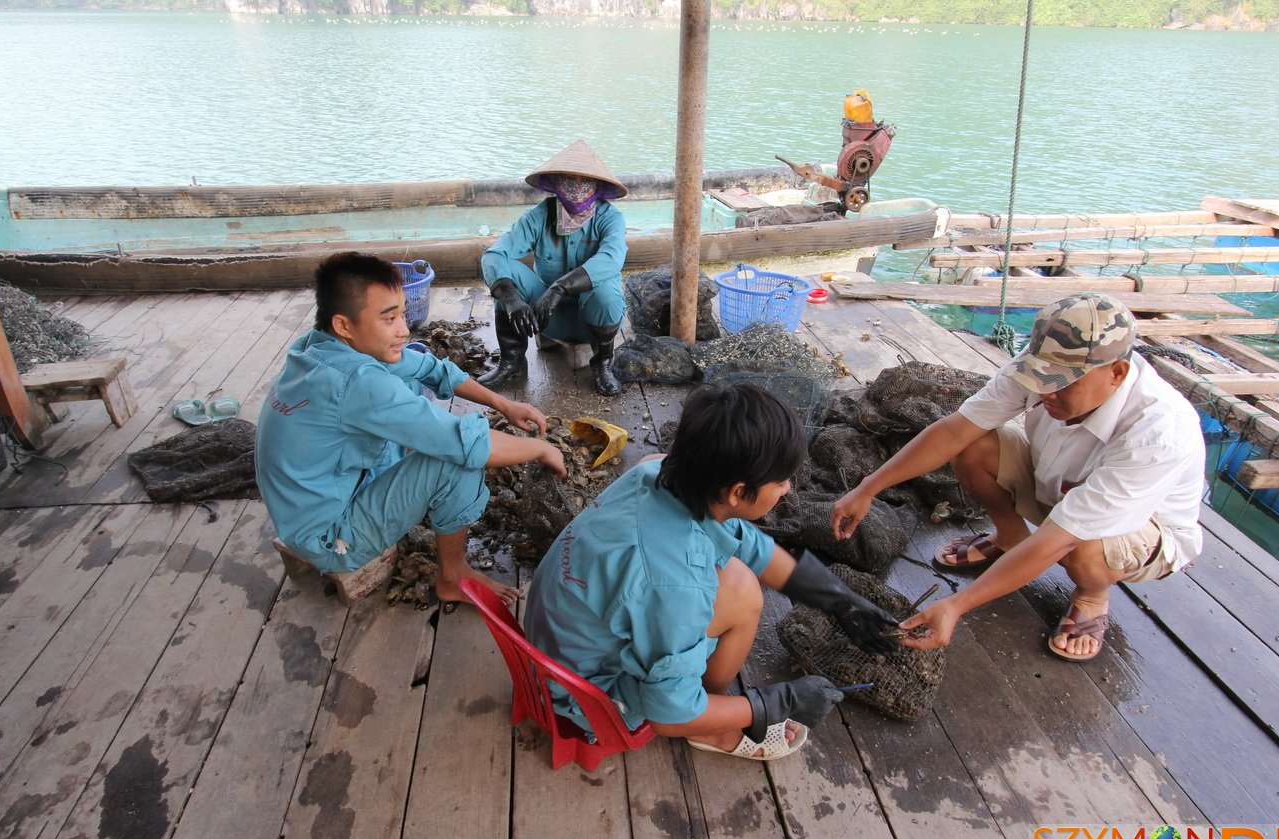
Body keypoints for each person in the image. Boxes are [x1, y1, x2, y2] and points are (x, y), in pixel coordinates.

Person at [523, 383, 901, 760]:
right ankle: (715, 725)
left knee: (738, 579)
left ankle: (711, 706)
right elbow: (668, 718)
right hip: (586, 695)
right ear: (737, 492)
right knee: (743, 596)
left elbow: (748, 543)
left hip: (558, 641)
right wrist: (776, 701)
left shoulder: (656, 470)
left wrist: (840, 601)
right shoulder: (676, 585)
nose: (787, 490)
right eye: (782, 481)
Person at [830, 293, 1205, 662]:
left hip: (1140, 530)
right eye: (1040, 377)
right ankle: (1010, 537)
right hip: (1058, 485)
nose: (1045, 391)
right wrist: (868, 489)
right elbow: (955, 431)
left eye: (1062, 382)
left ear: (1117, 373)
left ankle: (1092, 596)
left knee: (1084, 547)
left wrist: (957, 605)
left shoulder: (1159, 433)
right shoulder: (1041, 366)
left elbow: (1061, 537)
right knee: (973, 447)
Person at [255, 251, 566, 605]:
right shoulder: (359, 381)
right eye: (389, 319)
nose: (404, 329)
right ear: (344, 324)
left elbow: (429, 368)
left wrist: (504, 404)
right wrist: (544, 449)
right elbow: (467, 444)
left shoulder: (319, 346)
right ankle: (453, 575)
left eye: (403, 313)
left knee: (409, 384)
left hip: (301, 507)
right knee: (455, 462)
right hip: (329, 537)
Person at [478, 139, 629, 397]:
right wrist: (512, 300)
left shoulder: (610, 219)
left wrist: (559, 289)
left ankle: (602, 364)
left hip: (592, 323)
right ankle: (512, 362)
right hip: (542, 316)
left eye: (585, 181)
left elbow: (611, 260)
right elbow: (495, 255)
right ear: (556, 183)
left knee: (606, 291)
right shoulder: (539, 215)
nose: (577, 187)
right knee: (504, 275)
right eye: (569, 179)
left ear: (597, 186)